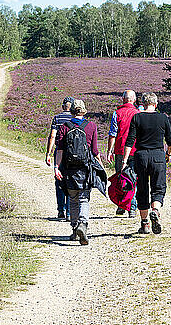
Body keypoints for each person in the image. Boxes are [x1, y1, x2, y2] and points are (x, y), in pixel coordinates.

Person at [122, 92, 171, 234]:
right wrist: (168, 154)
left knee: (143, 189)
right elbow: (170, 141)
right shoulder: (163, 118)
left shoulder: (137, 117)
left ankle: (145, 224)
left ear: (143, 104)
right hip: (158, 155)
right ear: (156, 104)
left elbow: (130, 140)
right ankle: (155, 211)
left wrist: (125, 160)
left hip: (141, 156)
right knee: (158, 187)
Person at [55, 100, 104, 245]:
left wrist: (57, 167)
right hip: (85, 168)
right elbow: (94, 151)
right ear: (84, 111)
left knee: (73, 198)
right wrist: (100, 166)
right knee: (84, 198)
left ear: (72, 112)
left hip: (69, 169)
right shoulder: (91, 126)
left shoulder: (64, 127)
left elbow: (60, 150)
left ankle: (75, 229)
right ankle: (83, 224)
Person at [107, 90, 140, 217]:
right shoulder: (138, 114)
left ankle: (122, 206)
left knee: (121, 178)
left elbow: (112, 134)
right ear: (134, 100)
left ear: (123, 99)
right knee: (133, 179)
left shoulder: (117, 113)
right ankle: (132, 207)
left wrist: (109, 150)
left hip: (120, 150)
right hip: (135, 150)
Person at [45, 96, 74, 219]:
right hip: (72, 153)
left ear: (63, 107)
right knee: (71, 181)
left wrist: (48, 153)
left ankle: (61, 210)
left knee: (59, 180)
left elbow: (52, 136)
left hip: (59, 153)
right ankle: (68, 212)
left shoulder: (57, 118)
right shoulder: (74, 119)